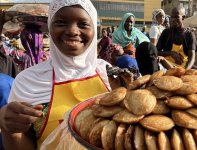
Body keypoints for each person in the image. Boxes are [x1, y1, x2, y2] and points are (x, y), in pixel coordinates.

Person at [0, 0, 117, 149]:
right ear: (50, 27)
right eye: (61, 23)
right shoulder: (28, 81)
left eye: (83, 24)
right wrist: (9, 130)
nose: (72, 31)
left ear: (94, 29)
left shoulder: (109, 74)